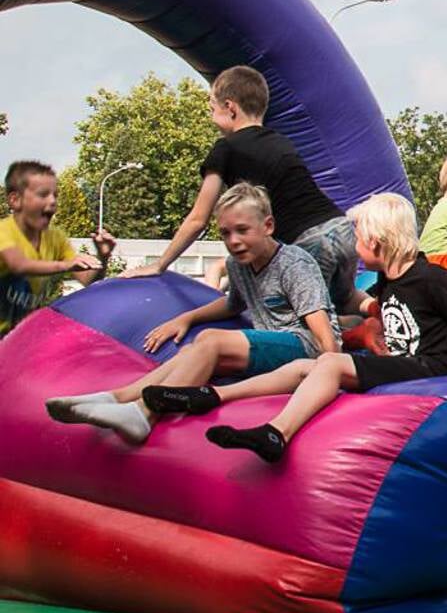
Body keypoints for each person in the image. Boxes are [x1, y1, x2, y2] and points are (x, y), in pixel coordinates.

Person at [192, 193, 447, 463]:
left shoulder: (431, 278)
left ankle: (277, 432)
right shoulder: (389, 283)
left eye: (358, 238)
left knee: (331, 363)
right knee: (306, 365)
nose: (354, 246)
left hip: (435, 367)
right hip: (408, 363)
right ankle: (217, 394)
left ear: (377, 241)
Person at [44, 184, 338, 445]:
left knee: (210, 341)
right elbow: (234, 303)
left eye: (243, 230)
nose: (234, 241)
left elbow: (324, 338)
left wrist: (325, 376)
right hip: (274, 344)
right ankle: (119, 396)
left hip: (305, 348)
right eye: (225, 233)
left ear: (268, 226)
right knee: (190, 350)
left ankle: (145, 415)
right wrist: (185, 318)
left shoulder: (294, 265)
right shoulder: (237, 265)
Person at [125, 66, 362, 314]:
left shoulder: (226, 148)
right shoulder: (281, 141)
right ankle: (374, 319)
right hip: (341, 228)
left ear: (230, 107)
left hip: (309, 241)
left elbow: (198, 218)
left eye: (211, 109)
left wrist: (161, 264)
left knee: (296, 321)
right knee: (345, 302)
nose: (210, 117)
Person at [1, 160, 114, 339]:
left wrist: (102, 256)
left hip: (22, 339)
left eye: (55, 195)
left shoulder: (56, 238)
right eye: (43, 195)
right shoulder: (4, 232)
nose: (52, 201)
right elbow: (19, 265)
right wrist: (66, 265)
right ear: (15, 200)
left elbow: (88, 281)